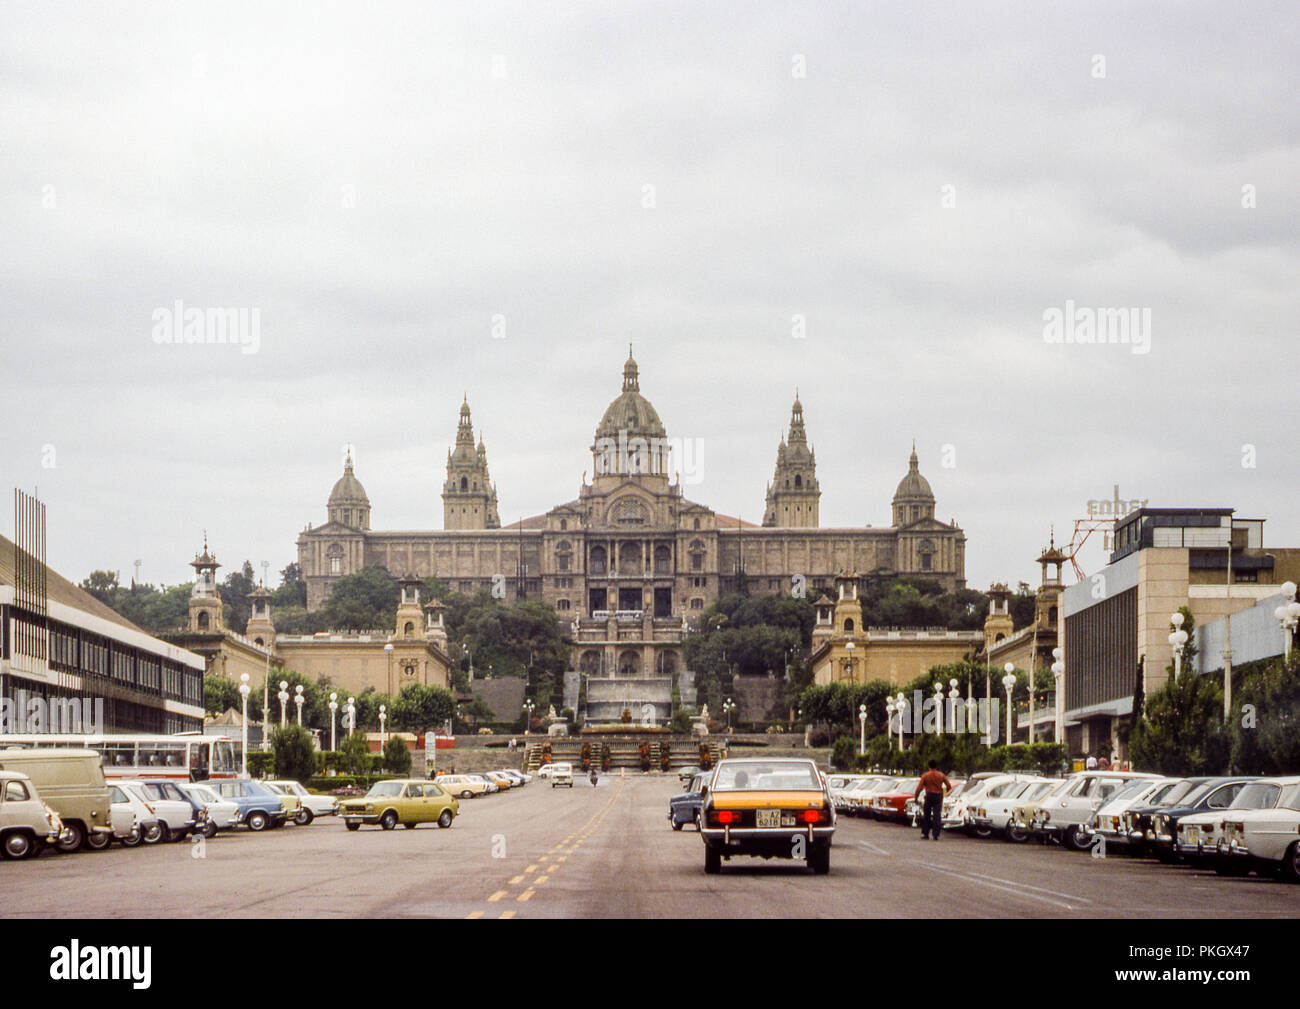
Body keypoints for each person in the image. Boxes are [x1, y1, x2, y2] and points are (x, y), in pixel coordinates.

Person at [913, 760, 952, 841]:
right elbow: (949, 785)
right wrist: (945, 793)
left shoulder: (925, 775)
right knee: (937, 815)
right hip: (938, 796)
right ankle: (936, 834)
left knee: (926, 815)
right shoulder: (941, 775)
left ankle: (925, 833)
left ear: (929, 766)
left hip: (929, 795)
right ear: (936, 766)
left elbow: (919, 788)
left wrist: (916, 798)